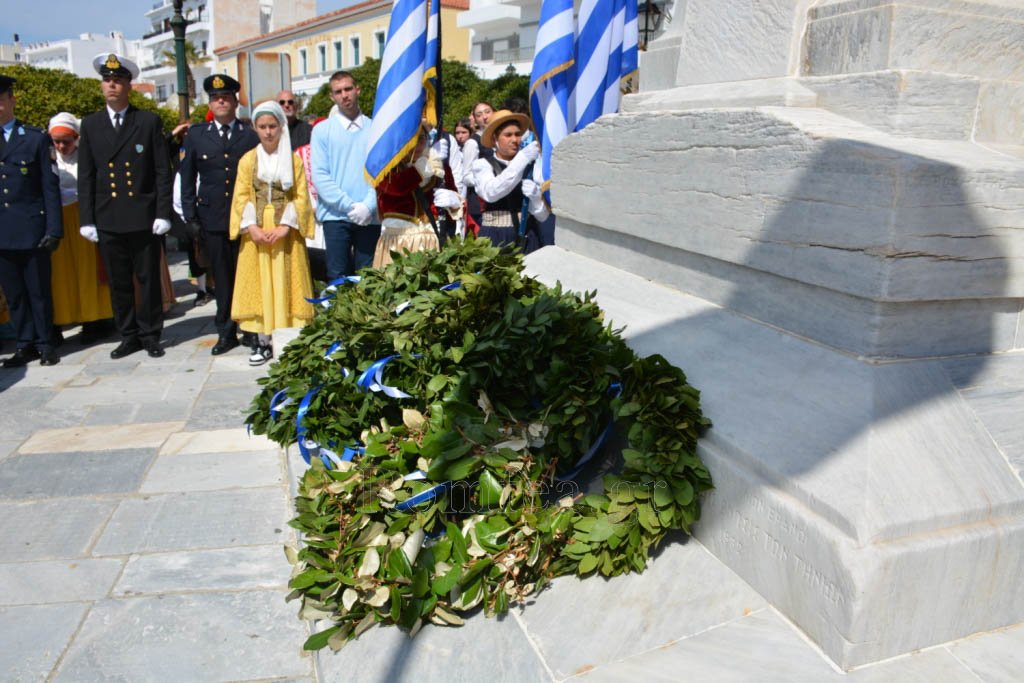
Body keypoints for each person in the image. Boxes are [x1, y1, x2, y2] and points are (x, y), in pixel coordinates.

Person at [77, 53, 172, 360]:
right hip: (108, 215)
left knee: (148, 279)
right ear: (102, 86)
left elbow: (161, 171)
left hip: (142, 214)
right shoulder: (90, 125)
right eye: (107, 80)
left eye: (118, 80)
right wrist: (87, 219)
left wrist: (162, 213)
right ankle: (128, 334)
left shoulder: (146, 121)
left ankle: (150, 333)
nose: (112, 85)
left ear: (129, 86)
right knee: (119, 281)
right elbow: (87, 176)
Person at [229, 101, 315, 366]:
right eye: (262, 126)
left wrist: (285, 226)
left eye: (272, 126)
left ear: (281, 126)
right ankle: (262, 341)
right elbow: (242, 195)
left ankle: (290, 339)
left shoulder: (293, 160)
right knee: (261, 282)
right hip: (256, 229)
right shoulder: (248, 160)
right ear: (255, 127)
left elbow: (301, 195)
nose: (268, 132)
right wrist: (252, 227)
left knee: (286, 280)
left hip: (284, 231)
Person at [179, 74, 259, 356]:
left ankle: (249, 328)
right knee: (222, 278)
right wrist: (190, 217)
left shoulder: (249, 135)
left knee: (246, 275)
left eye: (225, 96)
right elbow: (187, 179)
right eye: (215, 98)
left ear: (236, 101)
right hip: (211, 218)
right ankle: (225, 331)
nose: (220, 101)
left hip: (245, 219)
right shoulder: (197, 135)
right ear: (211, 103)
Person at [0, 75, 63, 367]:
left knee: (39, 291)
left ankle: (46, 342)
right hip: (3, 232)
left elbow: (50, 188)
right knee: (14, 293)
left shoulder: (35, 138)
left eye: (2, 99)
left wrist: (54, 229)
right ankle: (25, 344)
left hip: (32, 228)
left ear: (12, 100)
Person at [47, 112, 113, 344]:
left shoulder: (87, 159)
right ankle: (63, 317)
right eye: (57, 141)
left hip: (83, 217)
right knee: (61, 275)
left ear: (76, 138)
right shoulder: (49, 160)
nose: (62, 146)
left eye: (66, 140)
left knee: (88, 271)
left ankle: (93, 319)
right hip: (59, 220)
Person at [310, 71, 379, 279]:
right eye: (338, 91)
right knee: (337, 277)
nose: (344, 95)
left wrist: (369, 205)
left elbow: (382, 172)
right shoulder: (322, 131)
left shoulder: (375, 127)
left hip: (369, 215)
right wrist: (349, 206)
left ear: (357, 90)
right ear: (332, 97)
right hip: (335, 217)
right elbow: (320, 175)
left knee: (368, 277)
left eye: (348, 89)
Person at [373, 124, 460, 267]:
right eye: (411, 139)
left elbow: (454, 194)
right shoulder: (385, 167)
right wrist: (423, 166)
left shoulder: (437, 163)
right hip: (398, 242)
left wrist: (453, 201)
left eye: (421, 138)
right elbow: (397, 187)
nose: (417, 145)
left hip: (432, 240)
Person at [472, 109, 547, 248]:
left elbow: (543, 216)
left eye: (517, 134)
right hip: (495, 237)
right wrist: (521, 159)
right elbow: (491, 193)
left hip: (527, 234)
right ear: (495, 139)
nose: (514, 140)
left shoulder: (532, 166)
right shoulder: (482, 164)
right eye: (508, 135)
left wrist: (536, 198)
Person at [461, 101, 495, 232]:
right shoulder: (472, 142)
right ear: (475, 120)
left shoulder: (499, 138)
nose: (485, 117)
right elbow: (466, 176)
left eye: (487, 112)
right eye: (479, 115)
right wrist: (485, 178)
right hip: (481, 203)